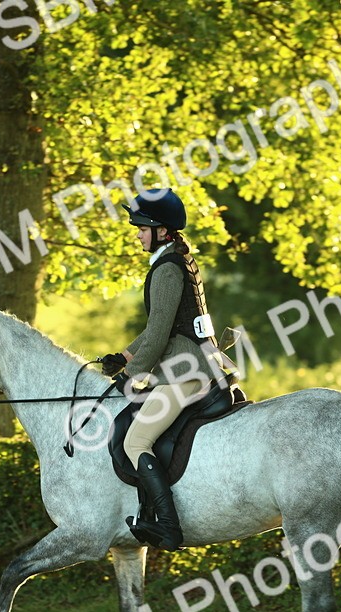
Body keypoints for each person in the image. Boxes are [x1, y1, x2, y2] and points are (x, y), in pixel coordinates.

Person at [100, 189, 227, 551]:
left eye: (141, 228)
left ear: (161, 230)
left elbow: (158, 335)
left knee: (136, 440)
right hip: (197, 363)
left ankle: (168, 527)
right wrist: (126, 356)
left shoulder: (167, 269)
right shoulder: (177, 260)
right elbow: (160, 324)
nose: (137, 234)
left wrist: (130, 376)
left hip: (187, 372)